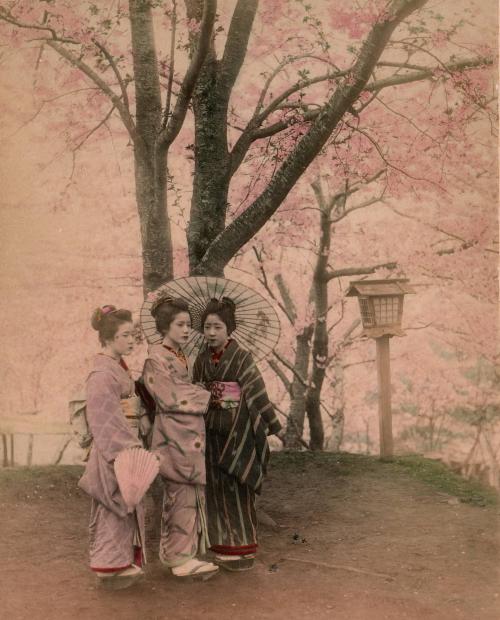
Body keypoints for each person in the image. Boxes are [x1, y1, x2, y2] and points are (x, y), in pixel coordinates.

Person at [193, 297, 282, 571]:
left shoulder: (242, 358)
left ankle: (243, 547)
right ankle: (221, 546)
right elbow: (194, 389)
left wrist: (272, 426)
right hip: (210, 428)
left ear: (228, 329)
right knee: (216, 488)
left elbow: (256, 391)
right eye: (207, 327)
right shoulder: (201, 359)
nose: (211, 333)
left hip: (237, 428)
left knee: (236, 484)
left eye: (217, 327)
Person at [142, 296, 219, 579]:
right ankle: (178, 558)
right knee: (179, 494)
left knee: (190, 493)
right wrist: (206, 394)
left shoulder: (178, 354)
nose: (187, 330)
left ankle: (186, 553)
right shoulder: (155, 357)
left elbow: (181, 388)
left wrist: (196, 388)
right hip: (172, 433)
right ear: (165, 326)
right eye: (180, 324)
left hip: (187, 433)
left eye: (189, 325)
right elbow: (168, 394)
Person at [78, 305, 145, 589]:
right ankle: (108, 565)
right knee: (113, 504)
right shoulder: (101, 375)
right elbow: (103, 419)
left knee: (123, 504)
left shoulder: (117, 368)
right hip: (112, 448)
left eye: (133, 335)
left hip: (125, 440)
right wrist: (126, 449)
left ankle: (117, 562)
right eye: (125, 335)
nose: (131, 340)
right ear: (108, 338)